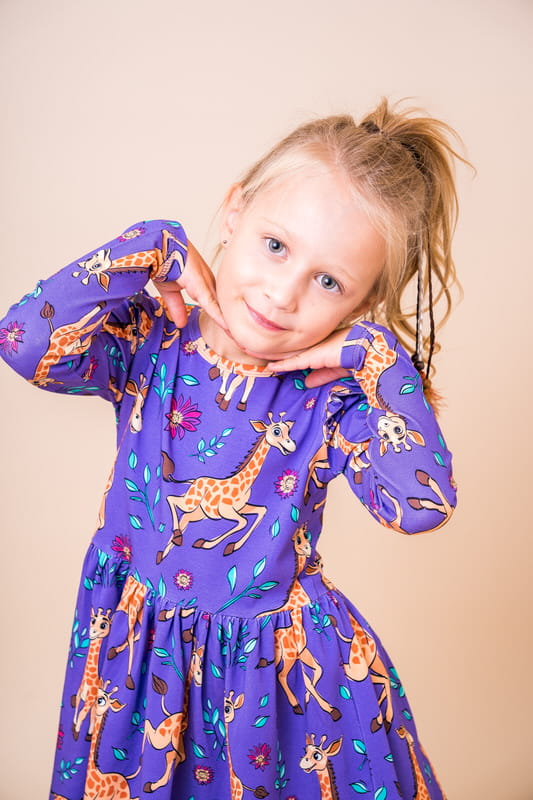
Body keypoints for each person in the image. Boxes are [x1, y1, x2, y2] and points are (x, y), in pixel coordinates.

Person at [0, 98, 464, 800]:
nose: (282, 293)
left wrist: (378, 359)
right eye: (276, 246)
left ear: (361, 306)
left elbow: (421, 506)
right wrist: (146, 245)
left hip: (273, 688)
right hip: (138, 665)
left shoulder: (331, 398)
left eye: (329, 282)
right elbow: (23, 342)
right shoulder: (151, 339)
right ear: (233, 212)